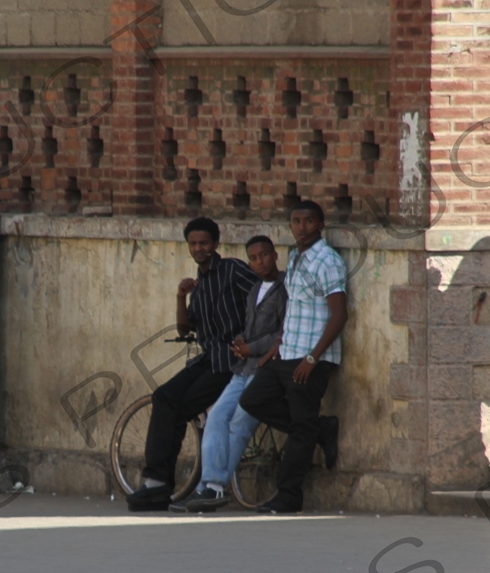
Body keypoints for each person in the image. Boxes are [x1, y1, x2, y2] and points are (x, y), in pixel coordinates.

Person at [127, 216, 256, 512]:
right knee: (163, 397)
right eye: (194, 244)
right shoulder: (198, 286)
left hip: (231, 361)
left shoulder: (233, 269)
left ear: (216, 244)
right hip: (208, 358)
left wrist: (254, 337)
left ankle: (163, 485)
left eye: (204, 243)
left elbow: (265, 292)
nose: (199, 248)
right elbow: (185, 330)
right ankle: (156, 483)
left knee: (179, 409)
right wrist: (180, 297)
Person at [238, 200, 346, 514]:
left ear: (320, 225)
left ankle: (288, 496)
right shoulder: (295, 255)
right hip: (285, 352)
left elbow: (339, 315)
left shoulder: (328, 261)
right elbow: (294, 307)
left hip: (311, 358)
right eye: (296, 221)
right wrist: (277, 344)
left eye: (308, 221)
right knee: (252, 401)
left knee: (301, 427)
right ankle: (320, 429)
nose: (302, 227)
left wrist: (312, 359)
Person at [174, 235, 285, 512]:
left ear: (275, 256)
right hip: (243, 368)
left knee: (239, 425)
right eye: (254, 258)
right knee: (215, 418)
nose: (260, 262)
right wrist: (239, 342)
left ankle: (213, 487)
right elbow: (248, 327)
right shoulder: (254, 289)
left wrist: (252, 347)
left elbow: (283, 333)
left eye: (264, 256)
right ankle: (207, 487)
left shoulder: (287, 289)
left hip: (267, 369)